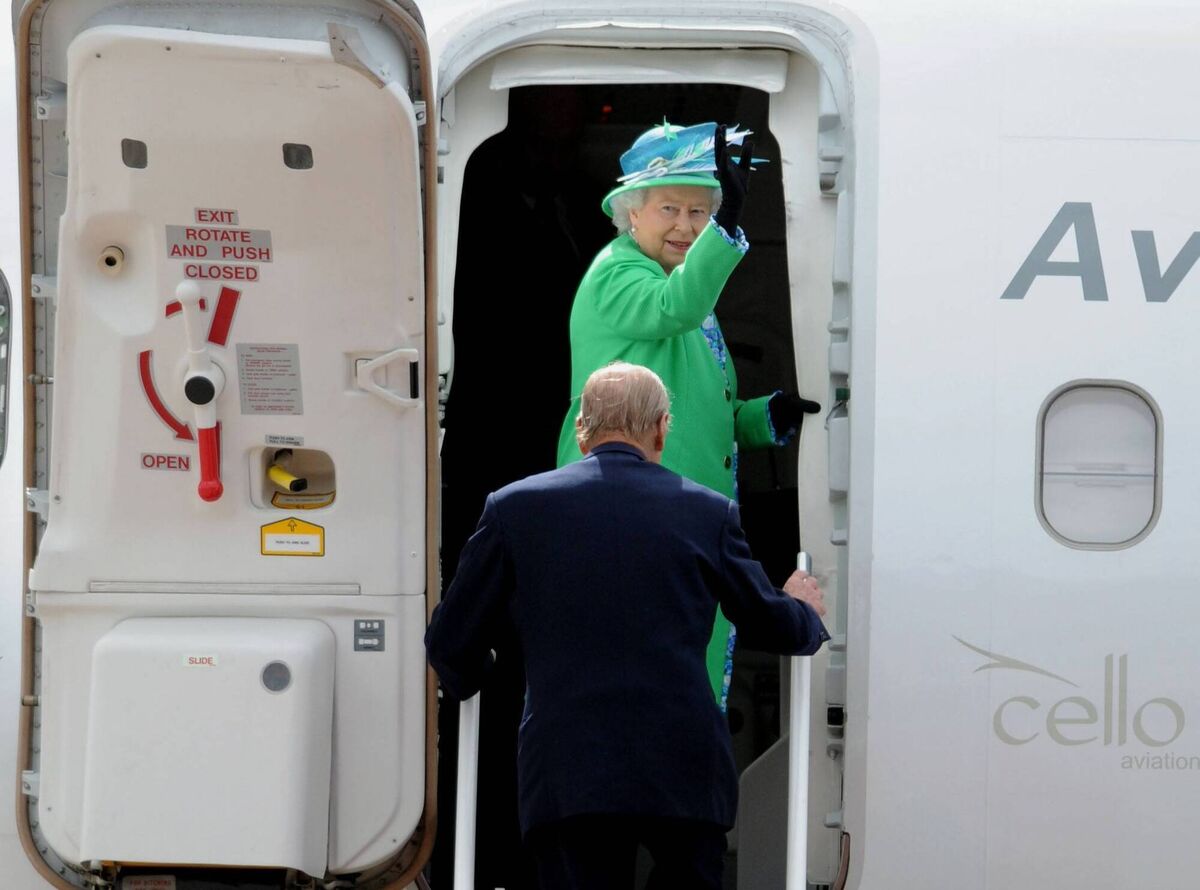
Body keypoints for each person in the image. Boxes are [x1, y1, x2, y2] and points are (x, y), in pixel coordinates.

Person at [428, 362, 829, 890]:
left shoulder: (514, 508)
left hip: (569, 770)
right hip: (682, 766)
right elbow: (770, 625)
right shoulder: (708, 513)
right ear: (663, 428)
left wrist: (474, 672)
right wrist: (801, 606)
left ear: (580, 428)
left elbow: (450, 640)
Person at [555, 120, 821, 708]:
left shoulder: (676, 281)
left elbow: (696, 403)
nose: (686, 226)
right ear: (631, 214)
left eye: (701, 212)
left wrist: (758, 420)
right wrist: (726, 232)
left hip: (679, 514)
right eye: (670, 208)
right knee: (654, 678)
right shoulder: (618, 273)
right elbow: (671, 311)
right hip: (630, 515)